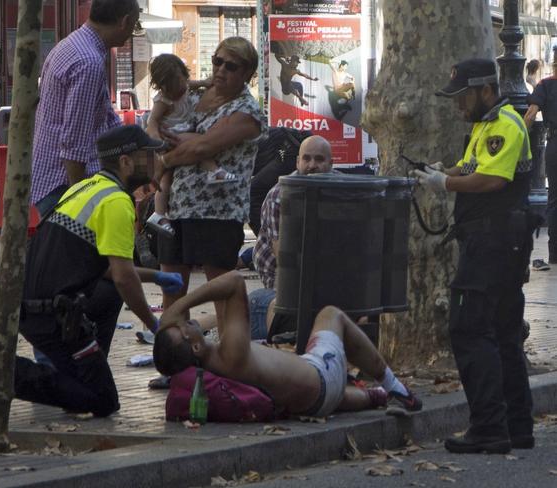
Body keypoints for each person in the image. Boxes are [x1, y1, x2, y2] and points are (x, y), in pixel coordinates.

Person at [11, 125, 183, 417]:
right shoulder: (116, 202)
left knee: (84, 389)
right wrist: (154, 325)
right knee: (103, 400)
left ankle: (81, 366)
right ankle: (12, 375)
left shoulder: (86, 187)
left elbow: (101, 267)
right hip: (51, 314)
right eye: (148, 155)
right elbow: (122, 277)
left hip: (31, 308)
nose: (156, 161)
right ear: (126, 162)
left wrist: (155, 276)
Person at [416, 58, 535, 454]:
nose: (457, 106)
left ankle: (488, 427)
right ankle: (516, 426)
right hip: (498, 240)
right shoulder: (486, 125)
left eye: (463, 97)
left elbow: (493, 179)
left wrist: (444, 182)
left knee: (470, 329)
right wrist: (439, 171)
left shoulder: (505, 123)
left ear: (487, 90)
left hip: (493, 241)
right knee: (502, 332)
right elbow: (474, 167)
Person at [153, 271, 422, 417]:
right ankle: (395, 388)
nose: (186, 322)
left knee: (336, 391)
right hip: (323, 378)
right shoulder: (230, 354)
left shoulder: (215, 367)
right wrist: (180, 304)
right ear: (196, 348)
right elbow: (234, 282)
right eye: (183, 327)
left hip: (315, 403)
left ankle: (377, 396)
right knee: (331, 315)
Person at [156, 37, 267, 322]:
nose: (221, 70)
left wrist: (165, 159)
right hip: (176, 208)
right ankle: (176, 358)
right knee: (172, 289)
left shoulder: (247, 111)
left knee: (221, 291)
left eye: (231, 66)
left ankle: (232, 358)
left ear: (247, 74)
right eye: (217, 61)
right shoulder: (196, 95)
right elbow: (165, 125)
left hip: (217, 212)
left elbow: (202, 148)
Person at [31, 0, 140, 216]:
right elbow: (74, 141)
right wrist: (80, 203)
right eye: (134, 26)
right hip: (64, 186)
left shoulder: (72, 45)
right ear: (125, 22)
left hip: (54, 181)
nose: (131, 34)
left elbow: (105, 118)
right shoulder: (88, 61)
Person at [250, 135, 334, 341]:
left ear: (332, 164)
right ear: (297, 162)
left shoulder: (341, 189)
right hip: (281, 275)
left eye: (319, 159)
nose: (312, 165)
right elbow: (285, 260)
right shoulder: (280, 194)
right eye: (306, 159)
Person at [145, 53, 236, 238]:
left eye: (181, 82)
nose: (179, 89)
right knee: (198, 146)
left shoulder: (185, 85)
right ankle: (214, 171)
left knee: (167, 176)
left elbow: (196, 84)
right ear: (162, 87)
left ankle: (159, 213)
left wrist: (205, 83)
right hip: (171, 137)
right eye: (172, 88)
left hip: (181, 133)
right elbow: (152, 123)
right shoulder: (163, 100)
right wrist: (157, 141)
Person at [524, 59, 556, 269]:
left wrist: (519, 141)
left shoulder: (546, 85)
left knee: (554, 198)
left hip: (555, 145)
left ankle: (554, 253)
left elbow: (531, 114)